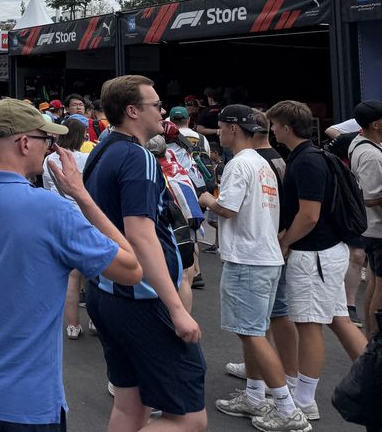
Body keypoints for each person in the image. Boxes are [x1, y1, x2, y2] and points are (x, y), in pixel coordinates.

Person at [0, 100, 143, 431]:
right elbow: (131, 269)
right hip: (27, 401)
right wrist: (81, 194)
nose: (49, 148)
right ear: (24, 143)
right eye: (45, 140)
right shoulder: (52, 210)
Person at [83, 75, 207, 432]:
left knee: (131, 405)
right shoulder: (138, 157)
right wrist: (176, 309)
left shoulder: (103, 149)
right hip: (142, 298)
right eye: (156, 105)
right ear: (133, 111)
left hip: (108, 290)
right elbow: (141, 236)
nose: (162, 111)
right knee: (190, 419)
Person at [198, 106, 308, 431]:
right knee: (253, 333)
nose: (218, 133)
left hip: (247, 259)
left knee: (252, 334)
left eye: (221, 127)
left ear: (233, 129)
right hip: (266, 256)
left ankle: (287, 409)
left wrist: (205, 199)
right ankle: (255, 395)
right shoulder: (262, 163)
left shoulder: (238, 164)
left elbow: (227, 208)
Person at [269, 99, 367, 420]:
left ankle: (305, 401)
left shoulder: (306, 161)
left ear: (286, 127)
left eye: (275, 125)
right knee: (339, 319)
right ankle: (373, 379)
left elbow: (309, 215)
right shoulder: (314, 155)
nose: (272, 130)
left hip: (314, 255)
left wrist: (285, 242)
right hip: (328, 251)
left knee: (309, 325)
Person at [42, 115, 90, 339]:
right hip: (85, 217)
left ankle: (72, 325)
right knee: (92, 271)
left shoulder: (48, 160)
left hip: (59, 217)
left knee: (70, 275)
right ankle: (95, 321)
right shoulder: (86, 159)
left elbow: (47, 188)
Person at [347, 100, 382, 339]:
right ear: (376, 124)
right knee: (380, 287)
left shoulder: (361, 143)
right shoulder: (370, 155)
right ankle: (375, 340)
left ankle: (371, 338)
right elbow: (369, 198)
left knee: (374, 282)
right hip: (377, 229)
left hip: (371, 228)